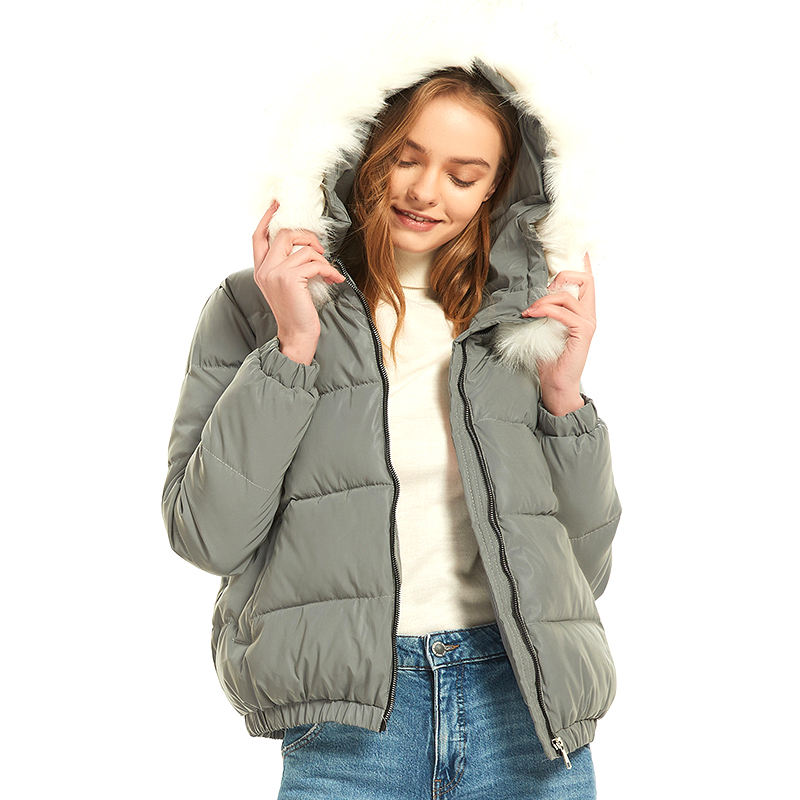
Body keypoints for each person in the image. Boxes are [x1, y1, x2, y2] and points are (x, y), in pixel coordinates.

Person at [161, 58, 621, 799]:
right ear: (362, 150)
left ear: (498, 189)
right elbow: (208, 536)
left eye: (463, 175)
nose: (425, 190)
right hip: (351, 729)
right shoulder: (254, 312)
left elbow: (584, 573)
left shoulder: (516, 327)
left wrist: (563, 396)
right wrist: (293, 347)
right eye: (407, 158)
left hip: (523, 709)